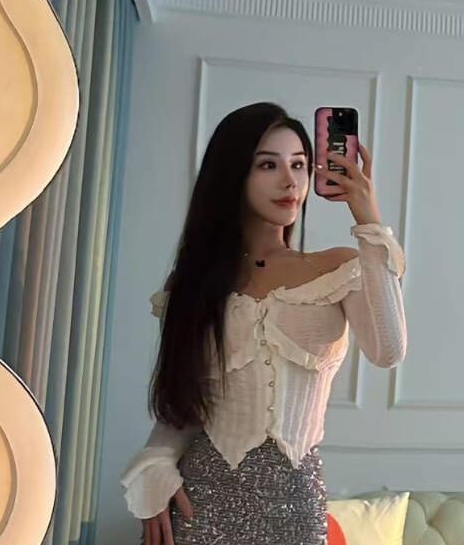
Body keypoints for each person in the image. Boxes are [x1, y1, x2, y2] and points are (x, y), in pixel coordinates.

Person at [120, 102, 407, 545]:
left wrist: (370, 221)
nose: (290, 181)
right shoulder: (195, 285)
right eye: (268, 165)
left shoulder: (338, 269)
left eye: (299, 165)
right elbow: (184, 406)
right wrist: (155, 467)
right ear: (233, 174)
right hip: (199, 507)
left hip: (295, 510)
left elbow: (388, 350)